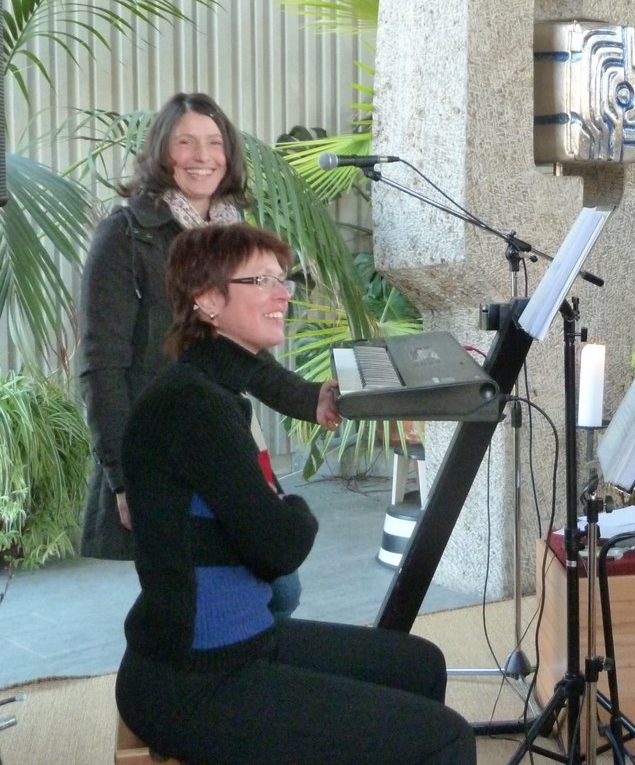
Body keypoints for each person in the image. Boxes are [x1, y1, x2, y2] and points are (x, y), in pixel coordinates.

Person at [115, 223, 476, 764]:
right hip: (194, 679)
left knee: (419, 665)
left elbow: (264, 529)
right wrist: (295, 508)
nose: (283, 294)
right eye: (261, 280)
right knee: (446, 738)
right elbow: (280, 547)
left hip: (244, 641)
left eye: (281, 279)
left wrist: (280, 509)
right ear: (207, 301)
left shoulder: (210, 386)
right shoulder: (194, 406)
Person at [78, 91, 333, 616]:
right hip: (162, 445)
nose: (202, 156)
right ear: (161, 152)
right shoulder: (125, 233)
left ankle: (225, 660)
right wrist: (124, 478)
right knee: (217, 589)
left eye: (214, 143)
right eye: (186, 142)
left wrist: (315, 400)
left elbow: (241, 357)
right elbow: (101, 368)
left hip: (219, 434)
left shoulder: (232, 236)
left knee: (267, 587)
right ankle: (184, 663)